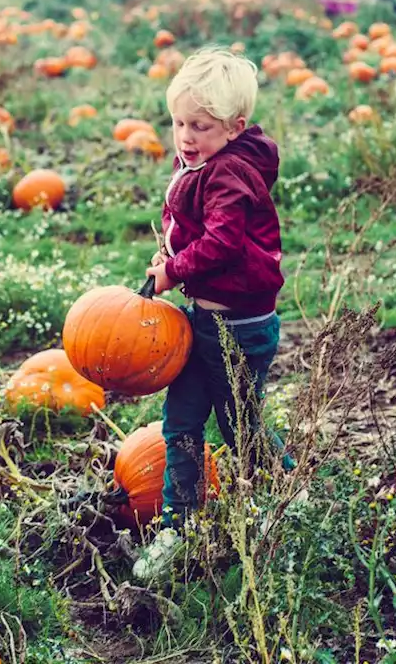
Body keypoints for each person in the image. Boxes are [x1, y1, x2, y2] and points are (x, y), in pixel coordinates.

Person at [133, 47, 295, 580]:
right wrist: (172, 257)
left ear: (234, 127)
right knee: (180, 422)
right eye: (179, 122)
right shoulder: (202, 161)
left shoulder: (231, 173)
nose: (185, 136)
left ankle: (284, 494)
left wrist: (175, 271)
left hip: (240, 329)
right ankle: (180, 527)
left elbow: (223, 241)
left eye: (199, 126)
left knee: (239, 425)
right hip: (202, 320)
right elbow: (194, 228)